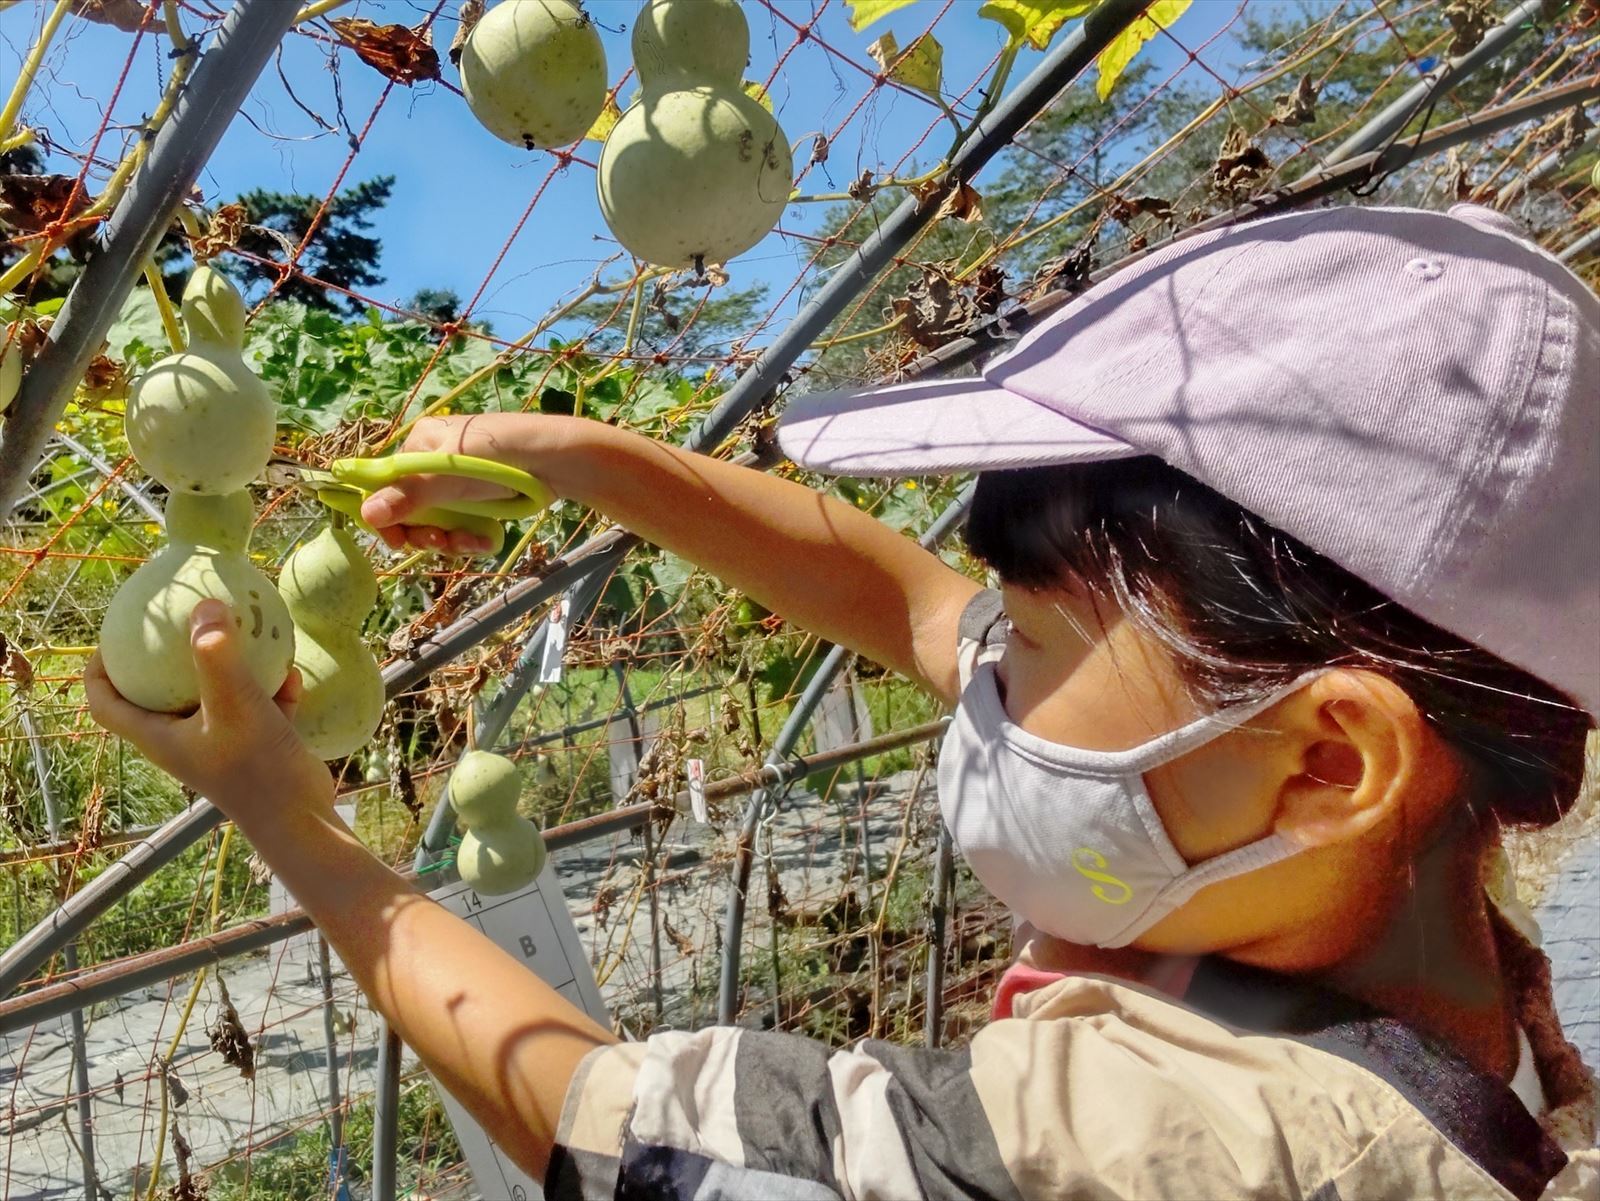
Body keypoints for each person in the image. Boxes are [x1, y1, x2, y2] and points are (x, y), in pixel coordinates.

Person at [87, 203, 1598, 1200]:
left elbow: (606, 1123)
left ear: (1330, 759)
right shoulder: (1435, 955)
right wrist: (576, 459)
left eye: (1028, 635)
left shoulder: (1161, 1152)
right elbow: (897, 601)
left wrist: (292, 822)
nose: (980, 671)